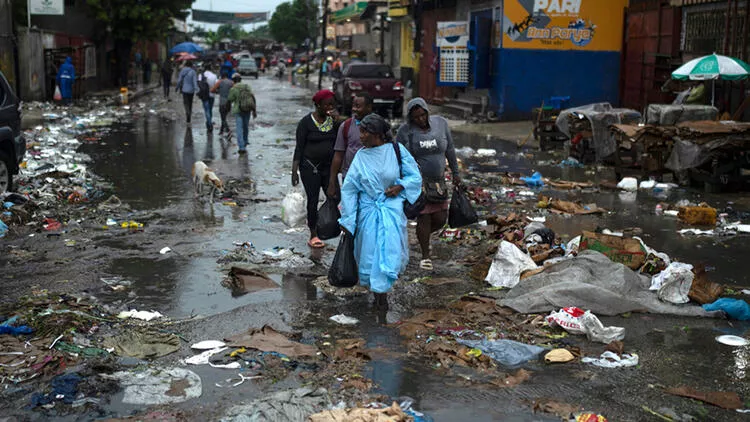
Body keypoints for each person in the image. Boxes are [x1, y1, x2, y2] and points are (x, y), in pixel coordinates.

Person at [339, 113, 422, 309]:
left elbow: (415, 176)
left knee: (389, 251)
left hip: (391, 211)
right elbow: (350, 189)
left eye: (364, 132)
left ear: (376, 134)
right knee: (369, 253)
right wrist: (348, 220)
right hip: (368, 213)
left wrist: (400, 187)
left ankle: (382, 294)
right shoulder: (360, 156)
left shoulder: (396, 151)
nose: (361, 136)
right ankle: (377, 295)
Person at [396, 97, 461, 271]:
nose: (420, 120)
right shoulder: (405, 131)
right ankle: (425, 256)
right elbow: (398, 156)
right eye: (416, 117)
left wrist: (456, 173)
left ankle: (422, 238)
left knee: (440, 218)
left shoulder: (441, 124)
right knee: (424, 217)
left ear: (427, 112)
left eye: (423, 115)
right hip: (418, 183)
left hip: (438, 182)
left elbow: (450, 149)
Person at [292, 90, 341, 248]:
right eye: (327, 104)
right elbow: (299, 147)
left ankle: (322, 222)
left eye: (332, 104)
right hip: (309, 168)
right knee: (312, 200)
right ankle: (313, 233)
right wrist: (294, 171)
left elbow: (340, 142)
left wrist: (337, 121)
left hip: (328, 168)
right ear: (317, 104)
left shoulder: (332, 122)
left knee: (335, 196)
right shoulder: (306, 123)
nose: (330, 107)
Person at [327, 92, 373, 199]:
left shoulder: (380, 127)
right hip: (349, 177)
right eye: (353, 105)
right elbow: (338, 155)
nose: (354, 109)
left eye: (358, 106)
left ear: (369, 108)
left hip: (372, 178)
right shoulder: (346, 126)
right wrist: (332, 181)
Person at [227, 73, 256, 154]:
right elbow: (252, 97)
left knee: (239, 128)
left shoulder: (233, 88)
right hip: (248, 109)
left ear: (233, 80)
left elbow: (230, 99)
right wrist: (254, 110)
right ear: (240, 79)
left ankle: (241, 147)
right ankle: (245, 141)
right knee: (246, 126)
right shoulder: (247, 86)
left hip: (238, 110)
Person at [212, 71, 234, 135]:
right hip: (229, 102)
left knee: (223, 117)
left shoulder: (219, 82)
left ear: (222, 76)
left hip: (222, 102)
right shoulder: (231, 82)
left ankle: (228, 130)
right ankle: (222, 131)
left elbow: (212, 90)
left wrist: (218, 91)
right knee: (224, 116)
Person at [199, 64, 218, 131]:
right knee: (210, 110)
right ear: (211, 68)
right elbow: (216, 85)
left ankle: (209, 123)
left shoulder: (201, 75)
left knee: (206, 110)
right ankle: (209, 123)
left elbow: (199, 85)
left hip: (204, 95)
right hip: (212, 95)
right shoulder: (214, 76)